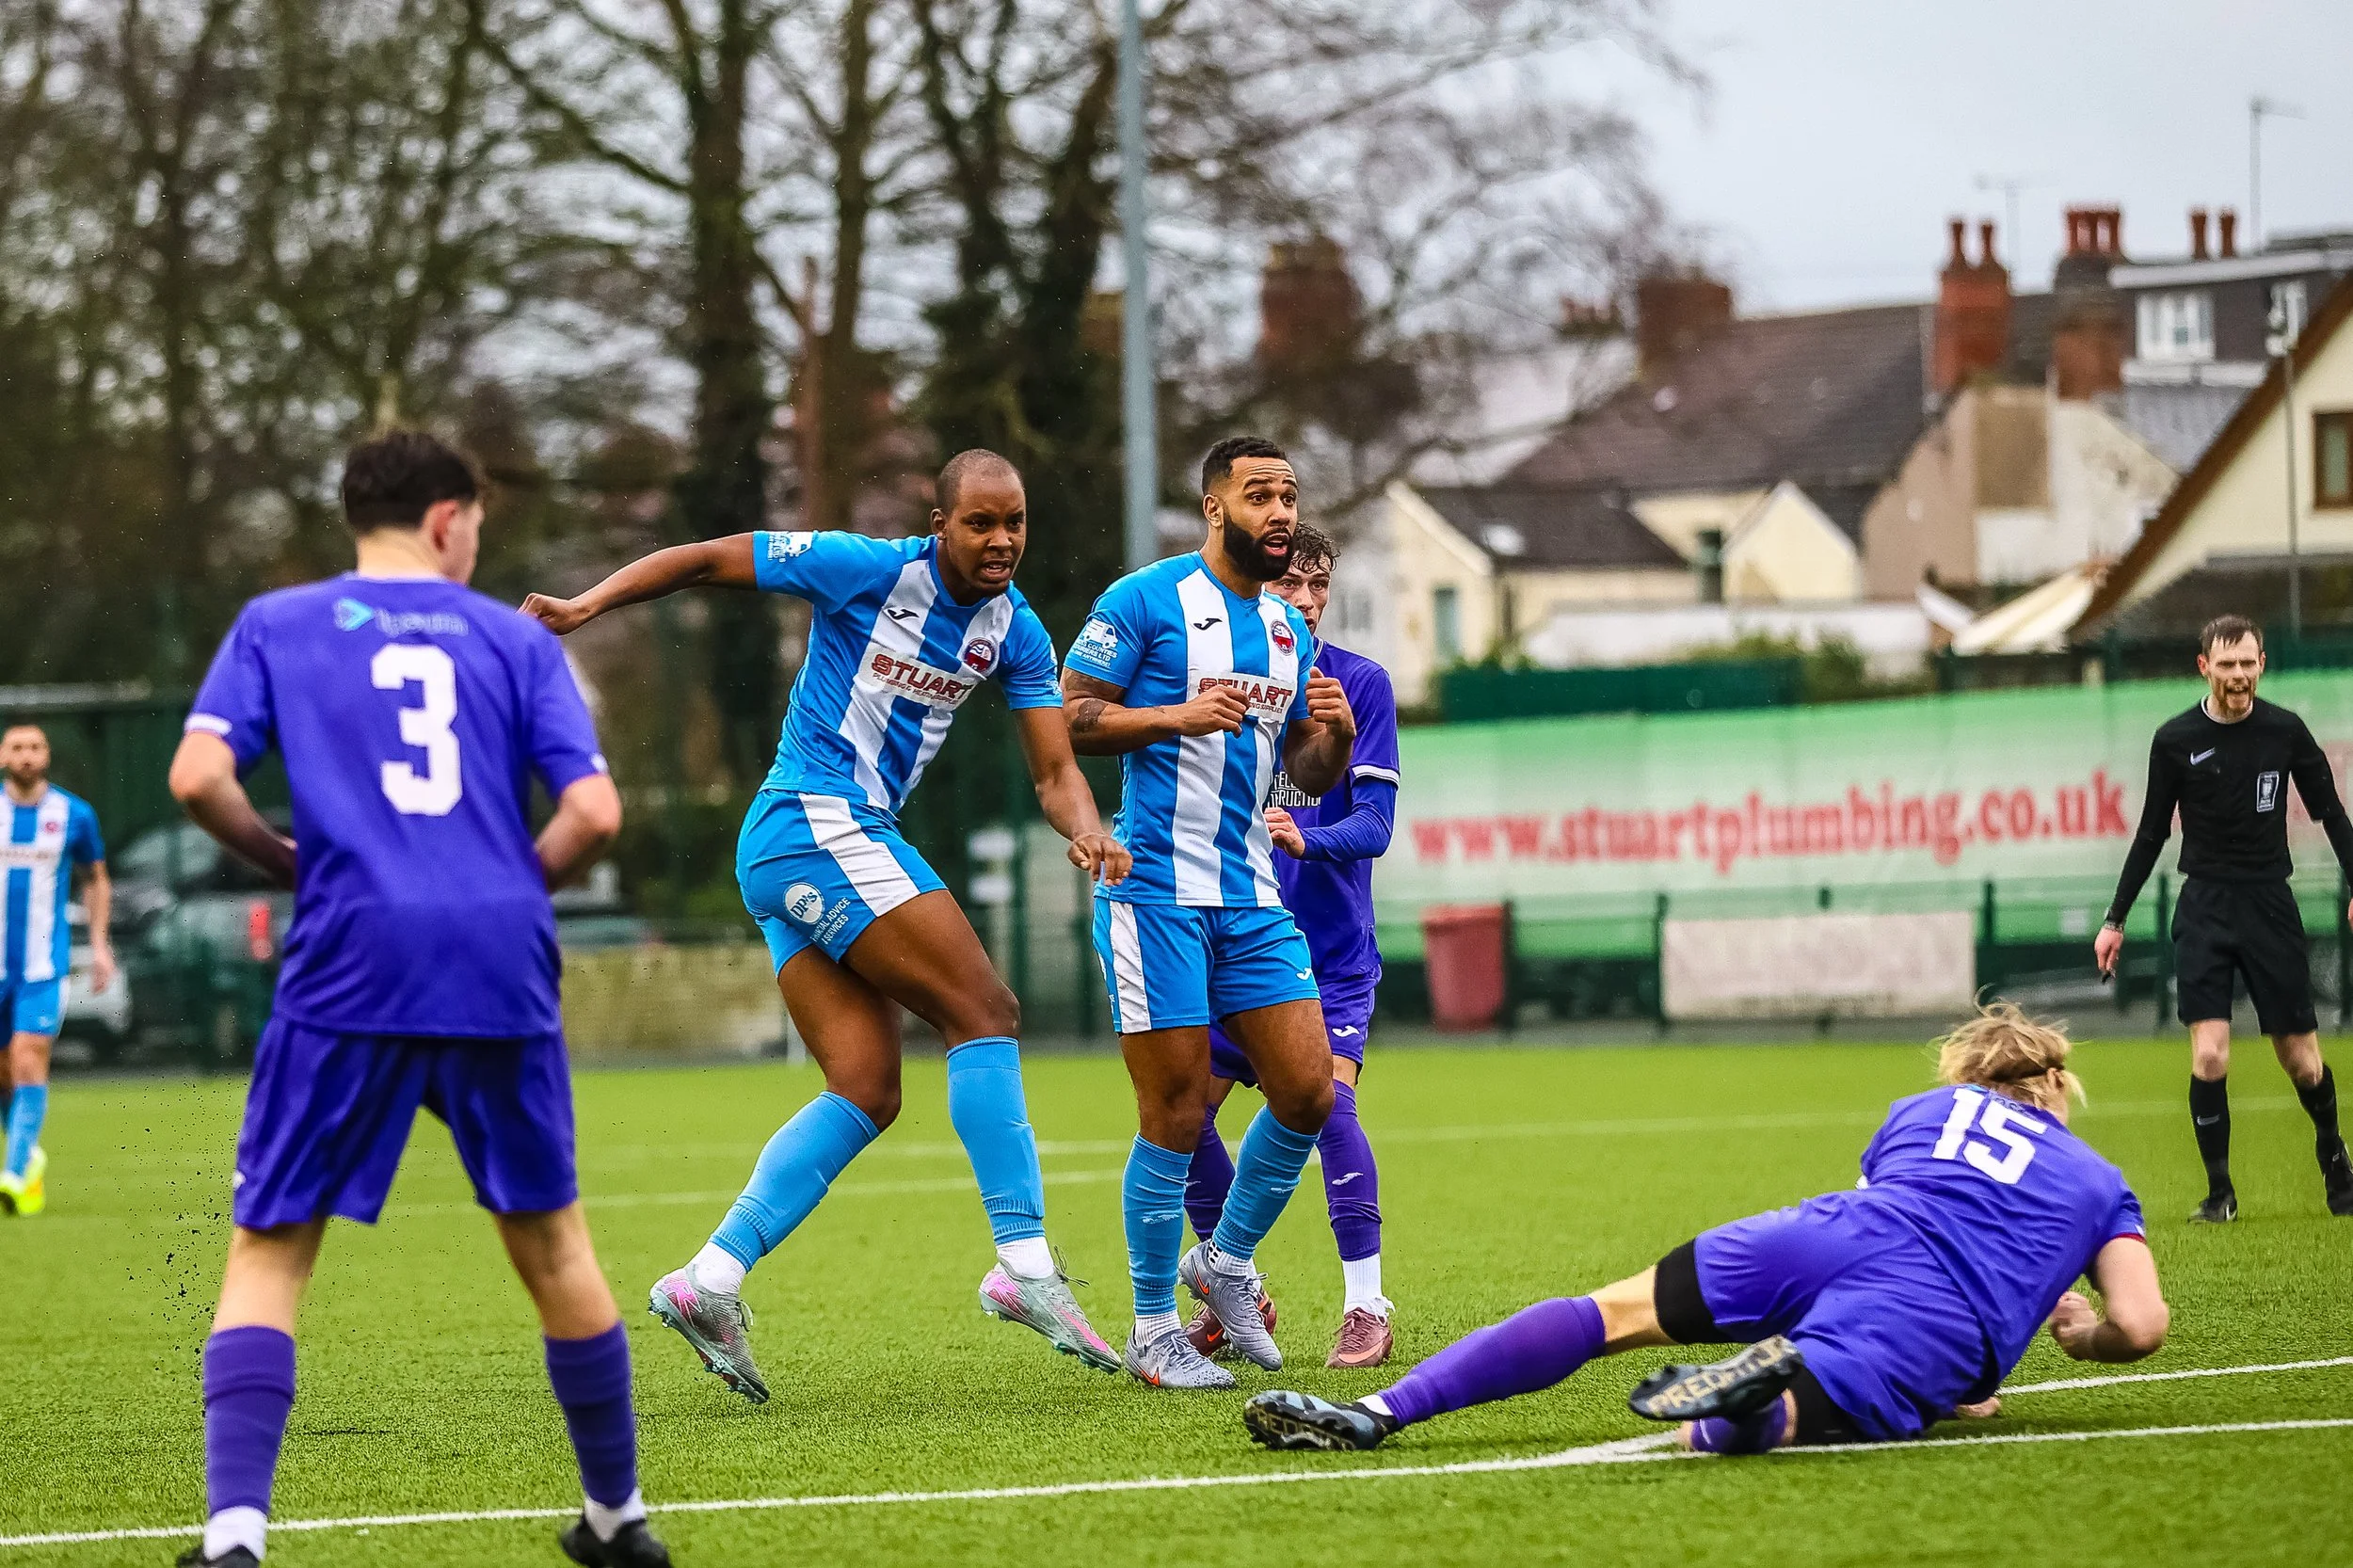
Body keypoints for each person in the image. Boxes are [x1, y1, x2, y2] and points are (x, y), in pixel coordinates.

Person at [522, 449, 1130, 1399]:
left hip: (812, 842)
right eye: (980, 521)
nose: (1001, 539)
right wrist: (584, 607)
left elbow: (1056, 773)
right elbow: (705, 559)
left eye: (1014, 521)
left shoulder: (1015, 632)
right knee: (985, 1008)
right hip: (814, 818)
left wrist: (1090, 831)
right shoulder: (867, 568)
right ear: (939, 523)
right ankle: (1023, 1263)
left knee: (866, 1086)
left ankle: (707, 1280)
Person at [168, 430, 664, 1567]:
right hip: (497, 956)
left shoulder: (275, 622)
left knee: (272, 1243)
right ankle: (617, 1519)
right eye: (479, 524)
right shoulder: (513, 639)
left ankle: (235, 1538)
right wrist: (498, 888)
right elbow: (593, 815)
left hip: (350, 952)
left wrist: (287, 858)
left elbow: (197, 778)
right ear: (448, 520)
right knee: (552, 1242)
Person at [1241, 1004, 2168, 1455]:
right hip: (1934, 1311)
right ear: (2056, 1087)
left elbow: (1890, 1212)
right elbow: (2143, 1321)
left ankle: (1383, 1408)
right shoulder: (2096, 1182)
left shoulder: (1920, 1111)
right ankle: (1756, 1396)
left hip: (1825, 1233)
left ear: (1967, 1073)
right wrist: (2086, 1337)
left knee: (1606, 1312)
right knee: (1757, 1425)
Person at [1061, 435, 1357, 1389]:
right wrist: (1168, 718)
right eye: (1258, 495)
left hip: (1250, 894)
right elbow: (1065, 714)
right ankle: (1153, 1328)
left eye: (1288, 495)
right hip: (1154, 892)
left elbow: (1306, 769)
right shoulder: (1144, 600)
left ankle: (1223, 1263)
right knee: (1177, 1111)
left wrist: (1335, 738)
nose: (1278, 512)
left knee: (1310, 1090)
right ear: (1213, 507)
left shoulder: (1285, 628)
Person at [1178, 524, 1401, 1368]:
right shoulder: (1226, 686)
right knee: (1180, 1112)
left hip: (1330, 958)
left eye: (1319, 587)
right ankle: (1243, 1288)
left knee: (1328, 1108)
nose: (1306, 601)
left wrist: (1309, 839)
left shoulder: (1360, 686)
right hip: (1236, 950)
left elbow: (1375, 826)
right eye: (1290, 587)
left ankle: (1366, 1306)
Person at [2094, 614, 2353, 1223]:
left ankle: (2334, 1156)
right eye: (2227, 664)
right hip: (2206, 905)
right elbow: (2153, 832)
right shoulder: (2174, 738)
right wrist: (2115, 918)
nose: (2238, 676)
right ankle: (2220, 1193)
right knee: (2209, 1055)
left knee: (2304, 1061)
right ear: (2204, 667)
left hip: (2270, 904)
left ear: (2263, 664)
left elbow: (2331, 814)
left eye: (2248, 663)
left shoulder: (2285, 732)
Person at [0, 723, 113, 1218]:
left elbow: (96, 880)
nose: (27, 756)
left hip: (42, 967)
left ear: (47, 754)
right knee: (4, 1072)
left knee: (29, 1058)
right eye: (17, 747)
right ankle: (31, 1157)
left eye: (35, 747)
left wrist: (101, 945)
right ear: (3, 754)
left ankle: (15, 1170)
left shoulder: (74, 814)